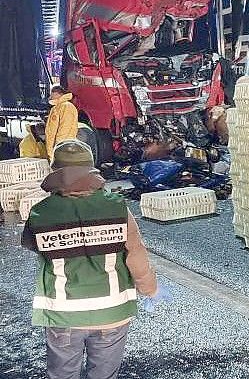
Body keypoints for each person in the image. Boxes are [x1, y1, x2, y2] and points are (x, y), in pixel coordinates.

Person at [21, 139, 167, 379]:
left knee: (62, 375)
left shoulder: (41, 212)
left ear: (55, 171)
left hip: (63, 313)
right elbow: (136, 254)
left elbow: (33, 245)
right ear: (92, 168)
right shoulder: (117, 207)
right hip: (111, 312)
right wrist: (150, 288)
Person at [45, 86, 79, 159]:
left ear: (58, 94)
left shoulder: (65, 106)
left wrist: (59, 145)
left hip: (63, 146)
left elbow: (65, 127)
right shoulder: (59, 106)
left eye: (52, 93)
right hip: (61, 146)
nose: (50, 96)